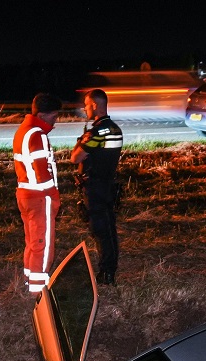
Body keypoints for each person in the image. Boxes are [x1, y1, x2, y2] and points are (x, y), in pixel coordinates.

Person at [71, 89, 124, 286]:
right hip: (108, 184)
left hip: (94, 186)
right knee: (109, 229)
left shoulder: (96, 132)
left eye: (86, 105)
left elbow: (75, 157)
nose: (85, 109)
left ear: (94, 105)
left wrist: (80, 143)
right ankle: (109, 269)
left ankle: (106, 273)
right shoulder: (115, 129)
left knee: (100, 230)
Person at [13, 93, 62, 297]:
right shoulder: (37, 135)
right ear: (42, 114)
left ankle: (28, 280)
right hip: (40, 196)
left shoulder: (22, 131)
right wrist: (54, 196)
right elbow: (42, 172)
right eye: (53, 117)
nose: (56, 121)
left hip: (25, 194)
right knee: (43, 245)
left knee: (33, 241)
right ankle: (38, 292)